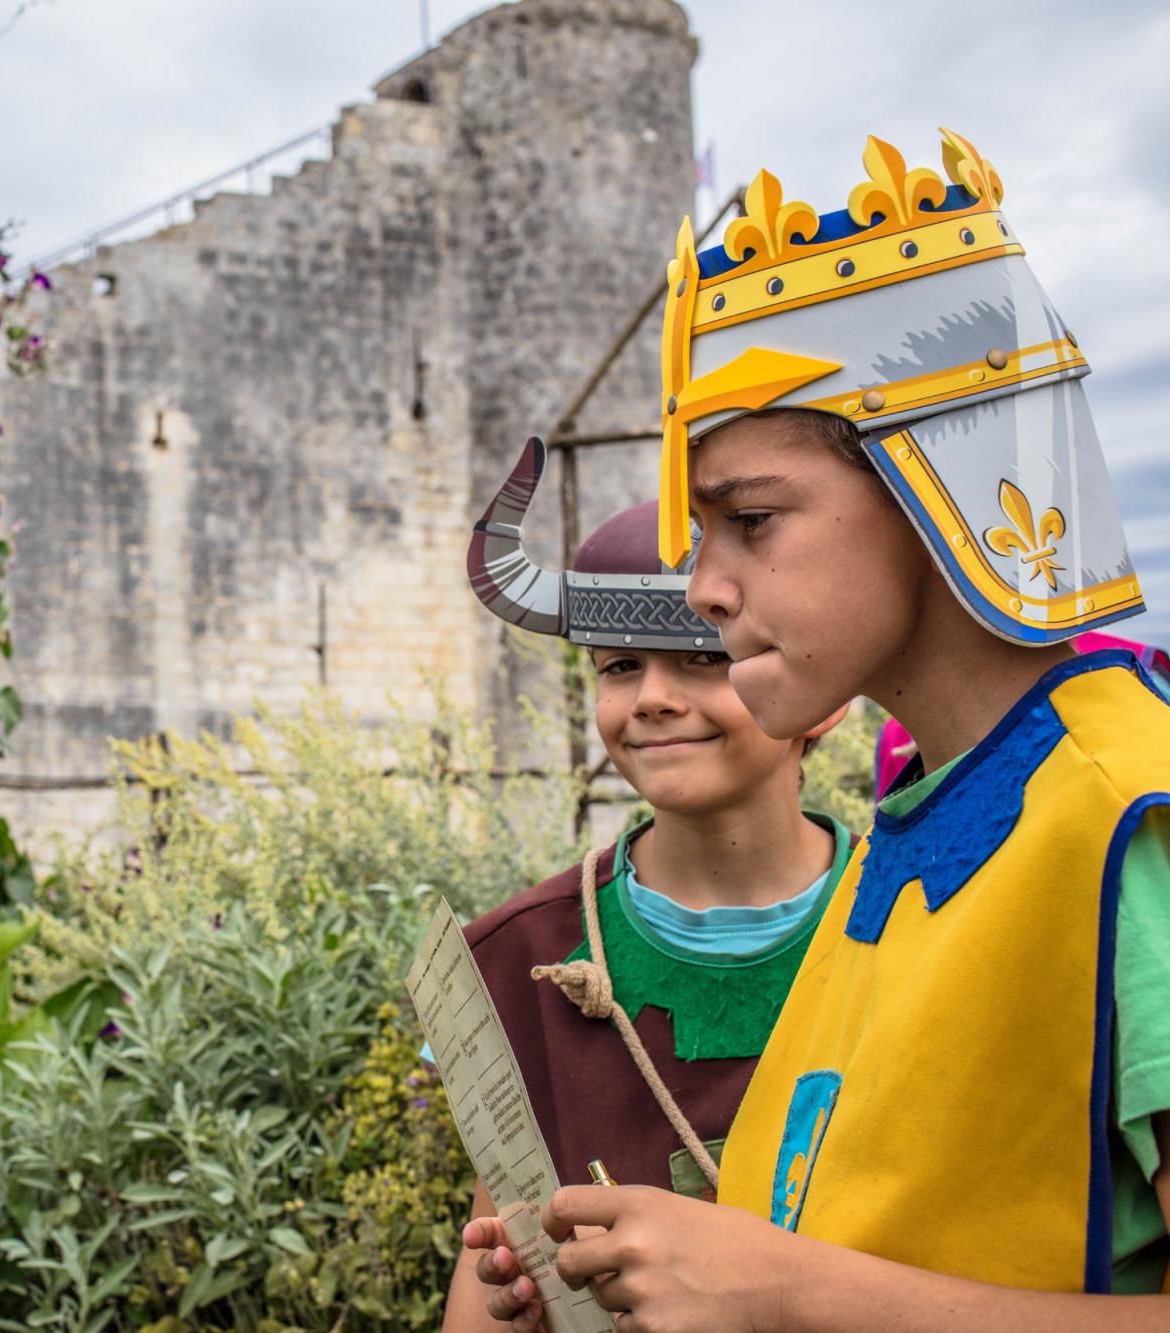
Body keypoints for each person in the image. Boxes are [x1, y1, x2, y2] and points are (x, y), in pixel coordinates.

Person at [476, 127, 1170, 1328]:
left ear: (931, 486)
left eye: (750, 519)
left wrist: (779, 1291)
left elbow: (808, 1288)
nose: (700, 586)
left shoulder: (1127, 815)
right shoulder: (908, 831)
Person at [443, 444, 851, 1330]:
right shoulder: (516, 957)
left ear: (823, 697)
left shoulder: (915, 917)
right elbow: (487, 1276)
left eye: (704, 660)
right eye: (620, 667)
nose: (653, 698)